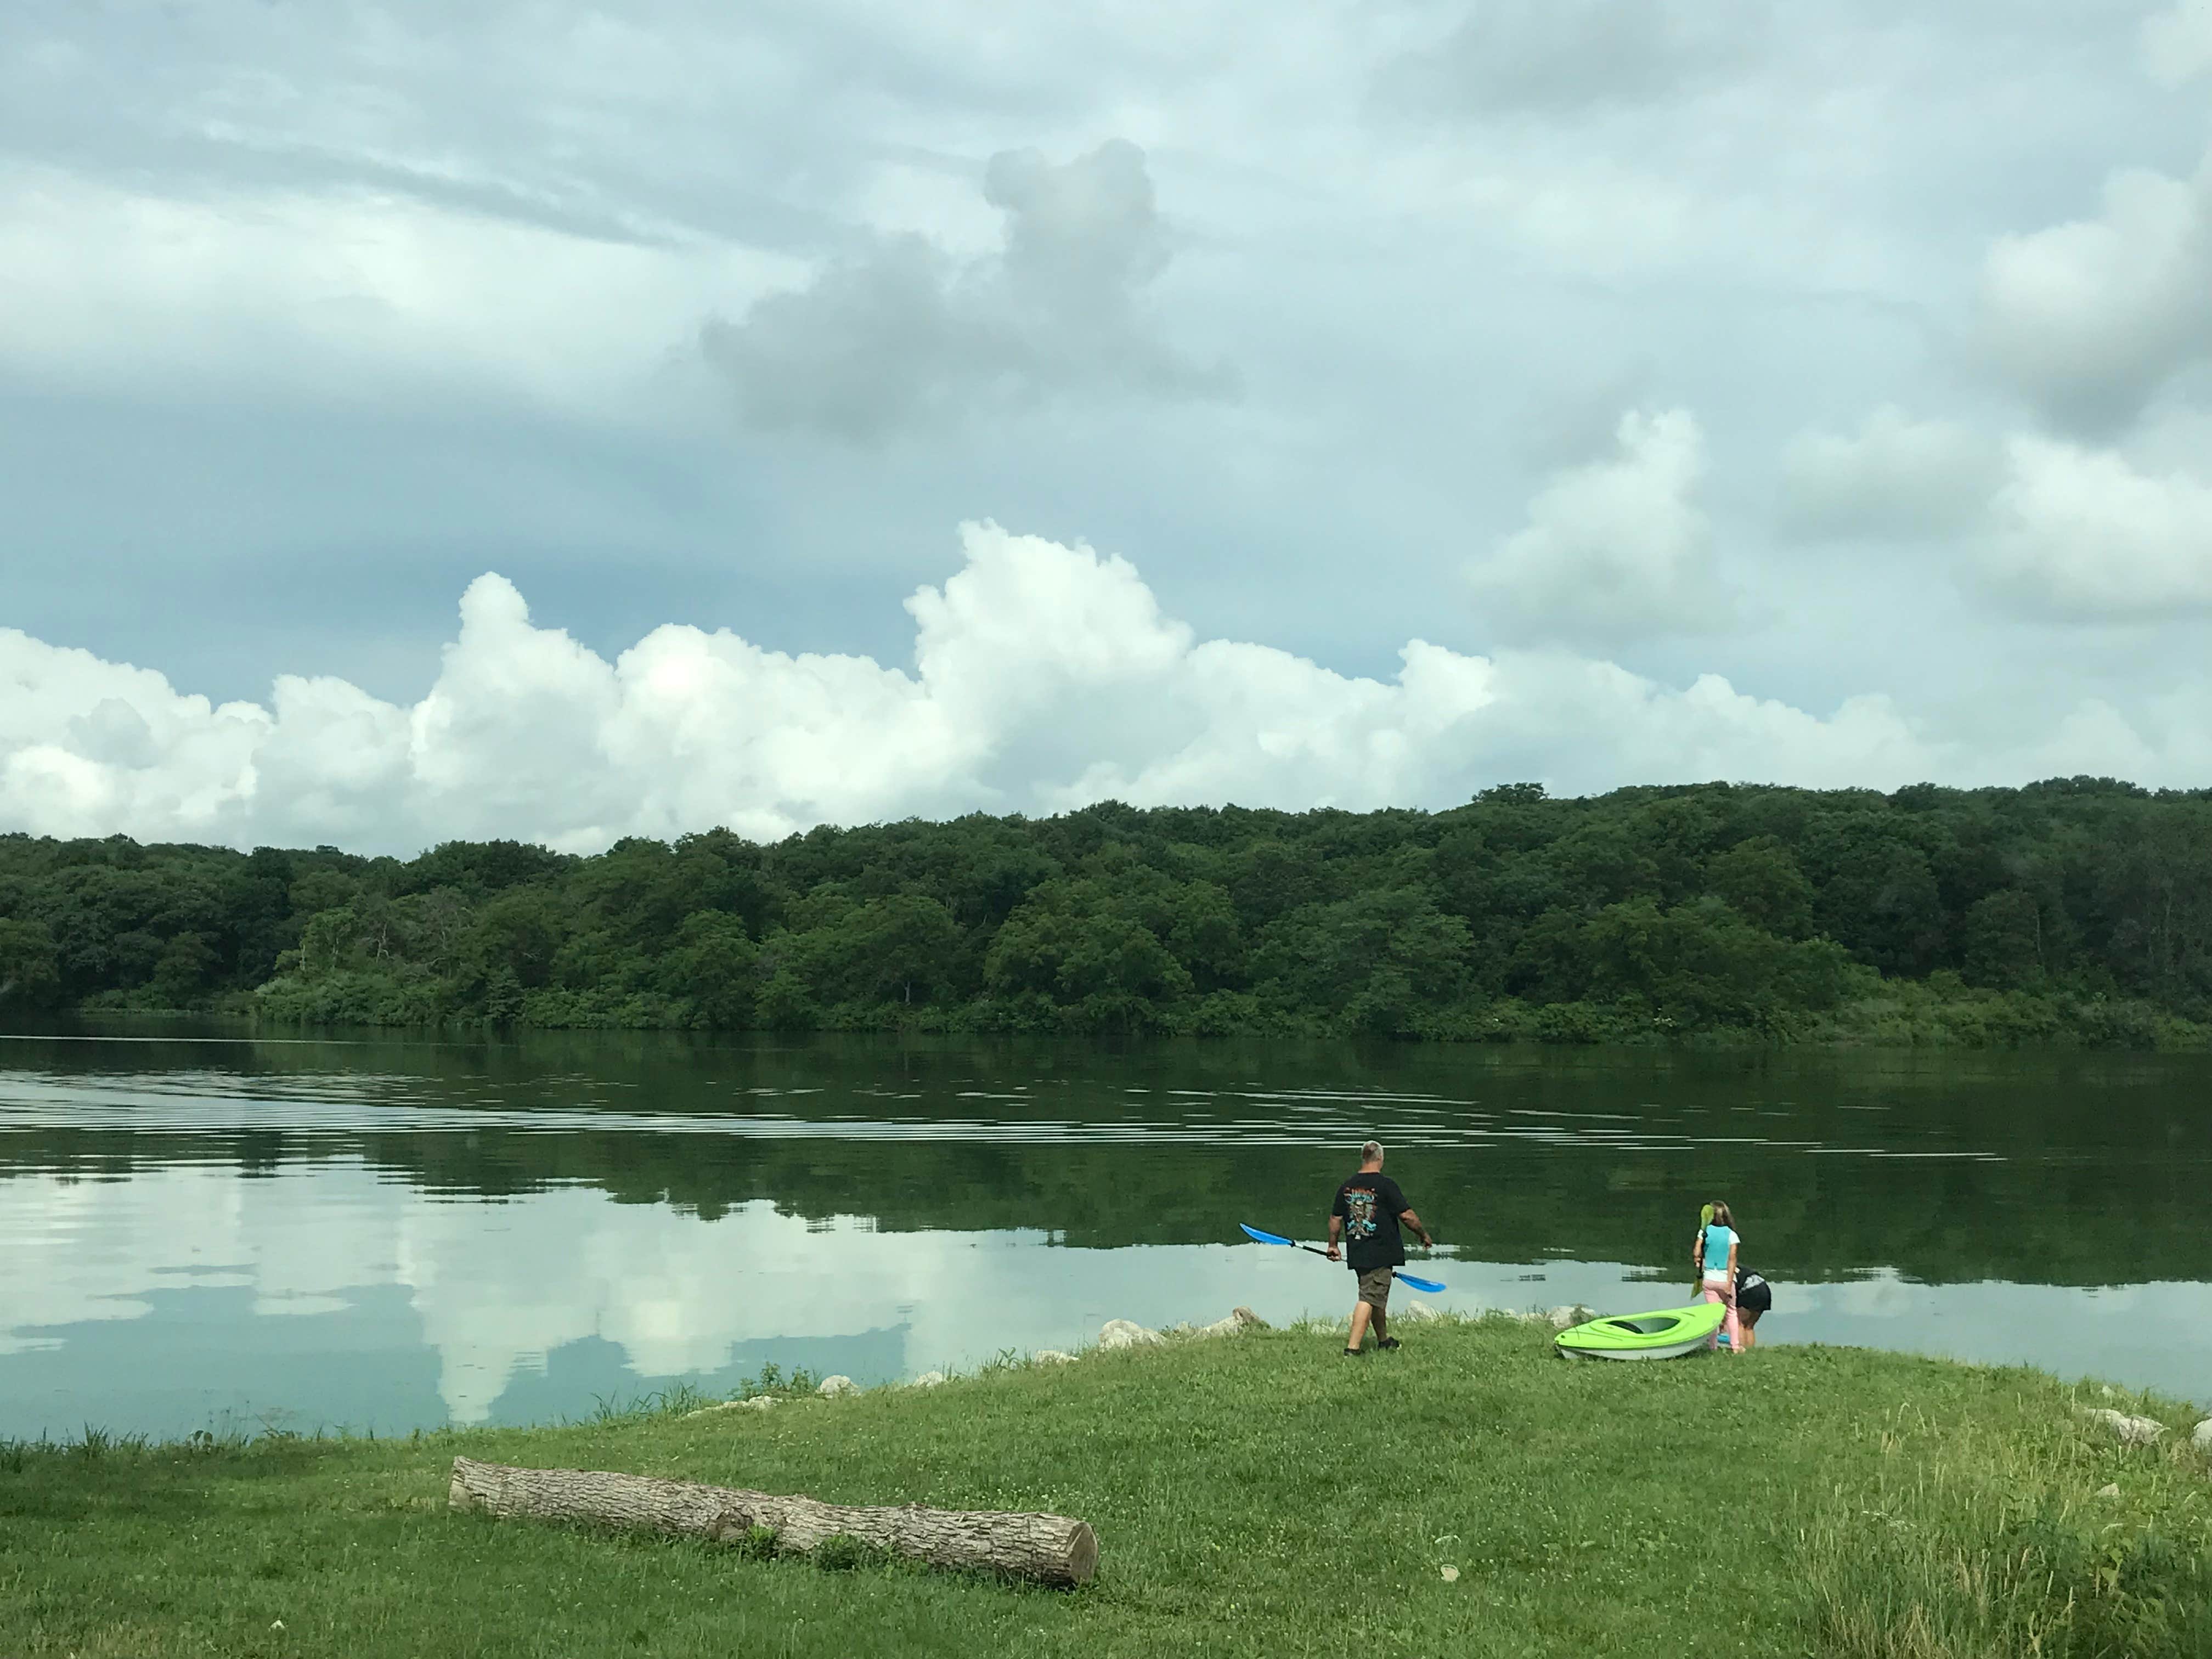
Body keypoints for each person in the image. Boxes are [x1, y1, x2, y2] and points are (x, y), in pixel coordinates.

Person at [1325, 1141, 1433, 1356]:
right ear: (1380, 1158)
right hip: (1381, 1252)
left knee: (1376, 1296)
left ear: (1363, 1158)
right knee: (1368, 1298)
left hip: (1358, 1251)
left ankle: (1383, 1340)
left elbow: (1336, 1218)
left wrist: (1333, 1245)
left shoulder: (1347, 1186)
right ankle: (1353, 1349)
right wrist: (1423, 1235)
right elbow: (1407, 1216)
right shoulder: (1386, 1185)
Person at [1694, 1200, 1741, 1353]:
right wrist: (1729, 1282)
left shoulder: (1704, 1232)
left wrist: (1699, 1256)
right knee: (1731, 1311)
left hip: (1709, 1279)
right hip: (1724, 1279)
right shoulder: (1732, 1235)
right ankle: (1735, 1346)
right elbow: (1732, 1258)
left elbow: (1696, 1253)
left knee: (1713, 1315)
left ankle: (1713, 1347)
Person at [1730, 1265, 1771, 1349]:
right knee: (1749, 1326)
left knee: (1739, 1324)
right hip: (1763, 1288)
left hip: (1749, 1290)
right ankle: (1750, 1351)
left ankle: (1740, 1351)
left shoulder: (1720, 1272)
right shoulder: (1736, 1266)